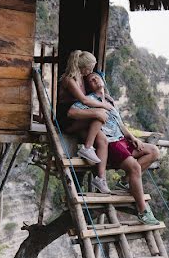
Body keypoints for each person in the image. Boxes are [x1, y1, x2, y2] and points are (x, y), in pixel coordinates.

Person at [83, 72, 161, 225]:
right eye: (91, 80)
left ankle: (125, 181)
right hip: (110, 143)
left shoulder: (110, 101)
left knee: (153, 151)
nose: (95, 80)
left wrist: (132, 137)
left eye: (96, 77)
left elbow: (120, 124)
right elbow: (73, 112)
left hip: (122, 139)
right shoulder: (89, 100)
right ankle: (142, 211)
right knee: (134, 168)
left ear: (103, 80)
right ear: (89, 86)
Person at [56, 50, 111, 193]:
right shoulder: (69, 79)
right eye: (90, 68)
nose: (91, 71)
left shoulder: (82, 78)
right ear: (82, 66)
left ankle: (100, 179)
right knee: (100, 114)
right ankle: (87, 148)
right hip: (67, 118)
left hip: (81, 117)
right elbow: (84, 100)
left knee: (103, 141)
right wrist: (103, 105)